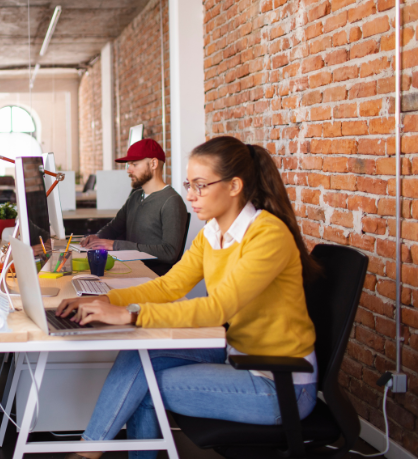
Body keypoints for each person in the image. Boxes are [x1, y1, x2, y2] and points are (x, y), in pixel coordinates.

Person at [58, 136, 321, 459]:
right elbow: (169, 286)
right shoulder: (212, 233)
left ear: (234, 186)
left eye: (200, 186)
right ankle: (90, 449)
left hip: (280, 384)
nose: (190, 196)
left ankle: (89, 452)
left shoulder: (267, 235)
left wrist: (132, 315)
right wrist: (106, 301)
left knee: (145, 387)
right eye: (188, 185)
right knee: (139, 355)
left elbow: (218, 307)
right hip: (236, 354)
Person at [81, 139, 187, 275]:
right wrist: (96, 238)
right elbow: (114, 228)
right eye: (128, 164)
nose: (128, 170)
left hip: (151, 277)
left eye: (134, 164)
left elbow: (169, 252)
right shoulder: (136, 196)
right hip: (130, 269)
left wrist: (115, 245)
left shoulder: (171, 201)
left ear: (153, 164)